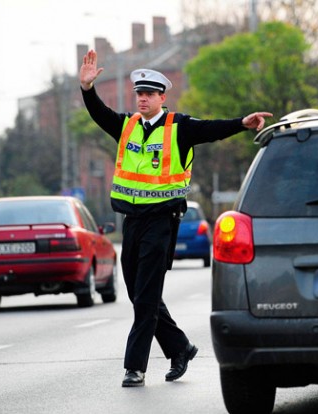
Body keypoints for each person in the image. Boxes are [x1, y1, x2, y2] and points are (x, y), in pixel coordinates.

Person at [79, 49, 272, 388]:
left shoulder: (178, 127)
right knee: (141, 296)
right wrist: (87, 89)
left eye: (149, 94)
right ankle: (180, 347)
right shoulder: (126, 126)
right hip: (132, 224)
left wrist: (242, 123)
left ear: (161, 98)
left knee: (147, 297)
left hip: (162, 222)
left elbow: (211, 129)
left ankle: (134, 367)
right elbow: (99, 113)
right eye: (139, 93)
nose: (142, 99)